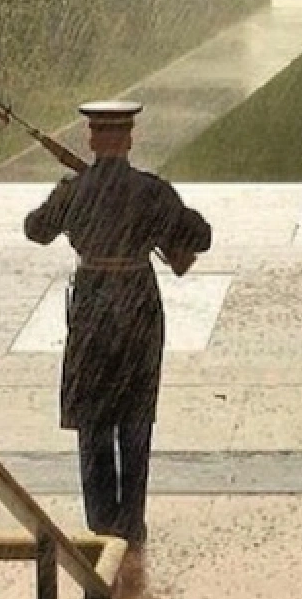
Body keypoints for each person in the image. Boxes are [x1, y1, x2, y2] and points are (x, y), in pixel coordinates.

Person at [24, 100, 211, 546]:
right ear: (129, 140)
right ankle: (132, 520)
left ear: (91, 140)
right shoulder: (151, 191)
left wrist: (65, 193)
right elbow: (200, 236)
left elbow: (36, 230)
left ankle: (101, 520)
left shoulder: (75, 190)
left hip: (91, 304)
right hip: (137, 301)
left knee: (93, 414)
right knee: (134, 414)